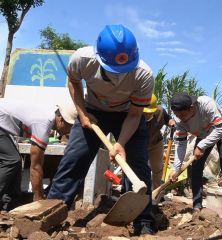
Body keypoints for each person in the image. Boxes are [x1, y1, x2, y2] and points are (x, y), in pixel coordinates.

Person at [47, 24, 155, 235]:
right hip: (93, 111)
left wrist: (120, 143)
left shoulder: (144, 75)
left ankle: (144, 221)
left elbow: (135, 114)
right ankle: (52, 214)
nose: (119, 76)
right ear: (100, 58)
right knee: (74, 159)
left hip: (127, 115)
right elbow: (73, 82)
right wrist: (81, 112)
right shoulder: (82, 59)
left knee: (139, 166)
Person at [0, 99, 77, 210]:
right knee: (11, 160)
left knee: (15, 163)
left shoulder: (47, 118)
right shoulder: (43, 124)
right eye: (70, 127)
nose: (69, 131)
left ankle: (9, 206)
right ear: (61, 120)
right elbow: (35, 167)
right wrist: (39, 198)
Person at [169, 92, 222, 212]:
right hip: (203, 134)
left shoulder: (206, 104)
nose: (181, 118)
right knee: (196, 168)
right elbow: (181, 144)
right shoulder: (179, 121)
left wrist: (201, 146)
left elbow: (219, 129)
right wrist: (176, 169)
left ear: (192, 107)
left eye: (183, 114)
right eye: (177, 115)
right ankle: (197, 205)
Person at [143, 94, 175, 190]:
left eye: (150, 112)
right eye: (145, 112)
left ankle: (156, 193)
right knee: (139, 168)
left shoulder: (160, 111)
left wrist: (172, 123)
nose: (148, 114)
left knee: (157, 169)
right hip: (140, 144)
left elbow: (168, 119)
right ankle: (140, 192)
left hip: (156, 143)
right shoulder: (136, 113)